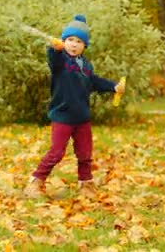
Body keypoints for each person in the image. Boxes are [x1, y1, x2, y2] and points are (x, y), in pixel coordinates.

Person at [24, 14, 125, 198]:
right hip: (62, 116)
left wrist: (113, 86)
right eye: (70, 39)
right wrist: (53, 50)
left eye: (79, 41)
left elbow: (94, 82)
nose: (74, 44)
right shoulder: (61, 62)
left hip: (82, 118)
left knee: (85, 153)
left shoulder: (85, 65)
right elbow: (53, 60)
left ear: (84, 46)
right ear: (64, 41)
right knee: (56, 152)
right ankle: (35, 182)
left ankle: (85, 185)